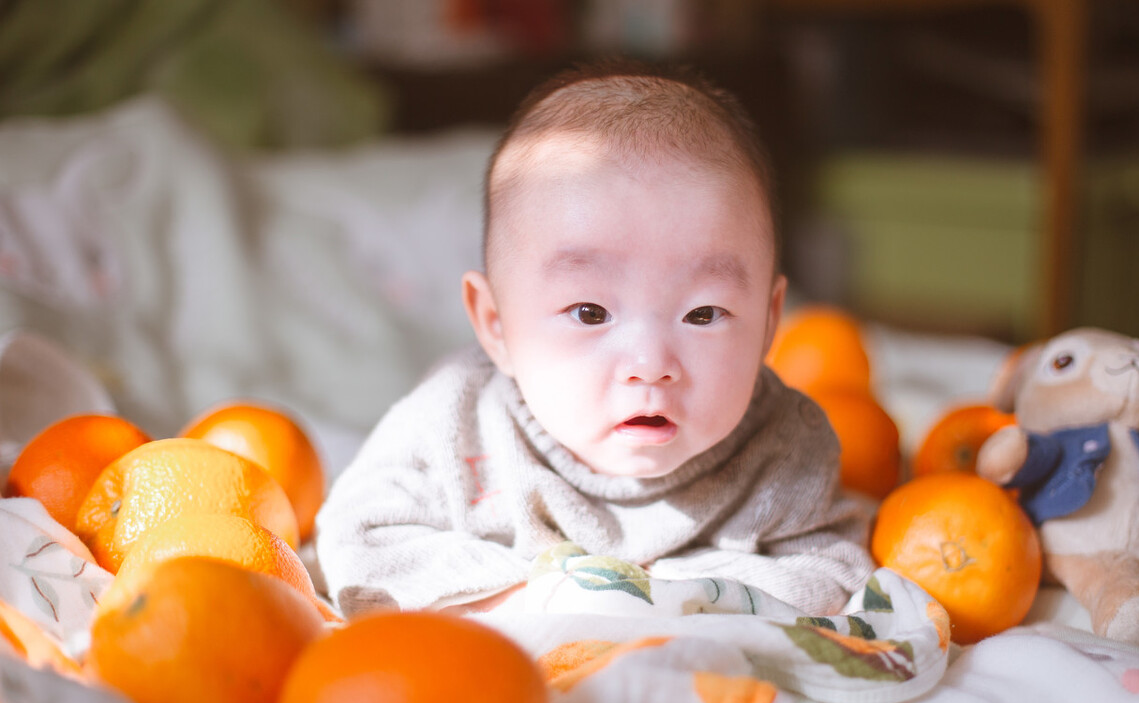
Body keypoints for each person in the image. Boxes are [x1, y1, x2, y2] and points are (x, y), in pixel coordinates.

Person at [315, 59, 874, 617]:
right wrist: (547, 593)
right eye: (589, 312)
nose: (651, 365)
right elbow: (356, 545)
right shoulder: (454, 426)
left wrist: (665, 594)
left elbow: (833, 572)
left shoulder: (782, 446)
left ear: (769, 322)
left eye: (703, 314)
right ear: (495, 325)